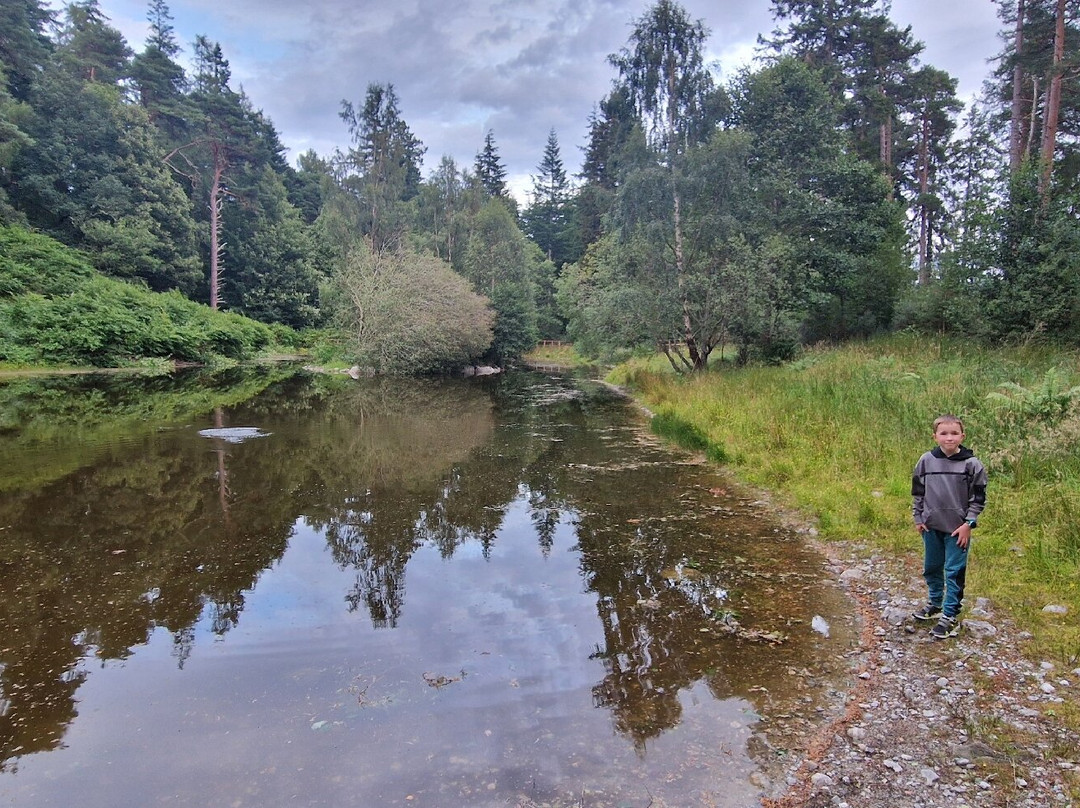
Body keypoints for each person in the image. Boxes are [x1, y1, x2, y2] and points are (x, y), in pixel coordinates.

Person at [910, 414, 987, 639]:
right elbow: (918, 492)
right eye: (944, 433)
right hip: (931, 526)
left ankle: (950, 614)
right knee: (932, 567)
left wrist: (968, 524)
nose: (949, 437)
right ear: (935, 436)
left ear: (962, 436)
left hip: (957, 530)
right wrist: (918, 518)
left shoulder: (972, 464)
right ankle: (935, 604)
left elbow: (979, 498)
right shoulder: (926, 461)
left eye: (954, 433)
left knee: (954, 571)